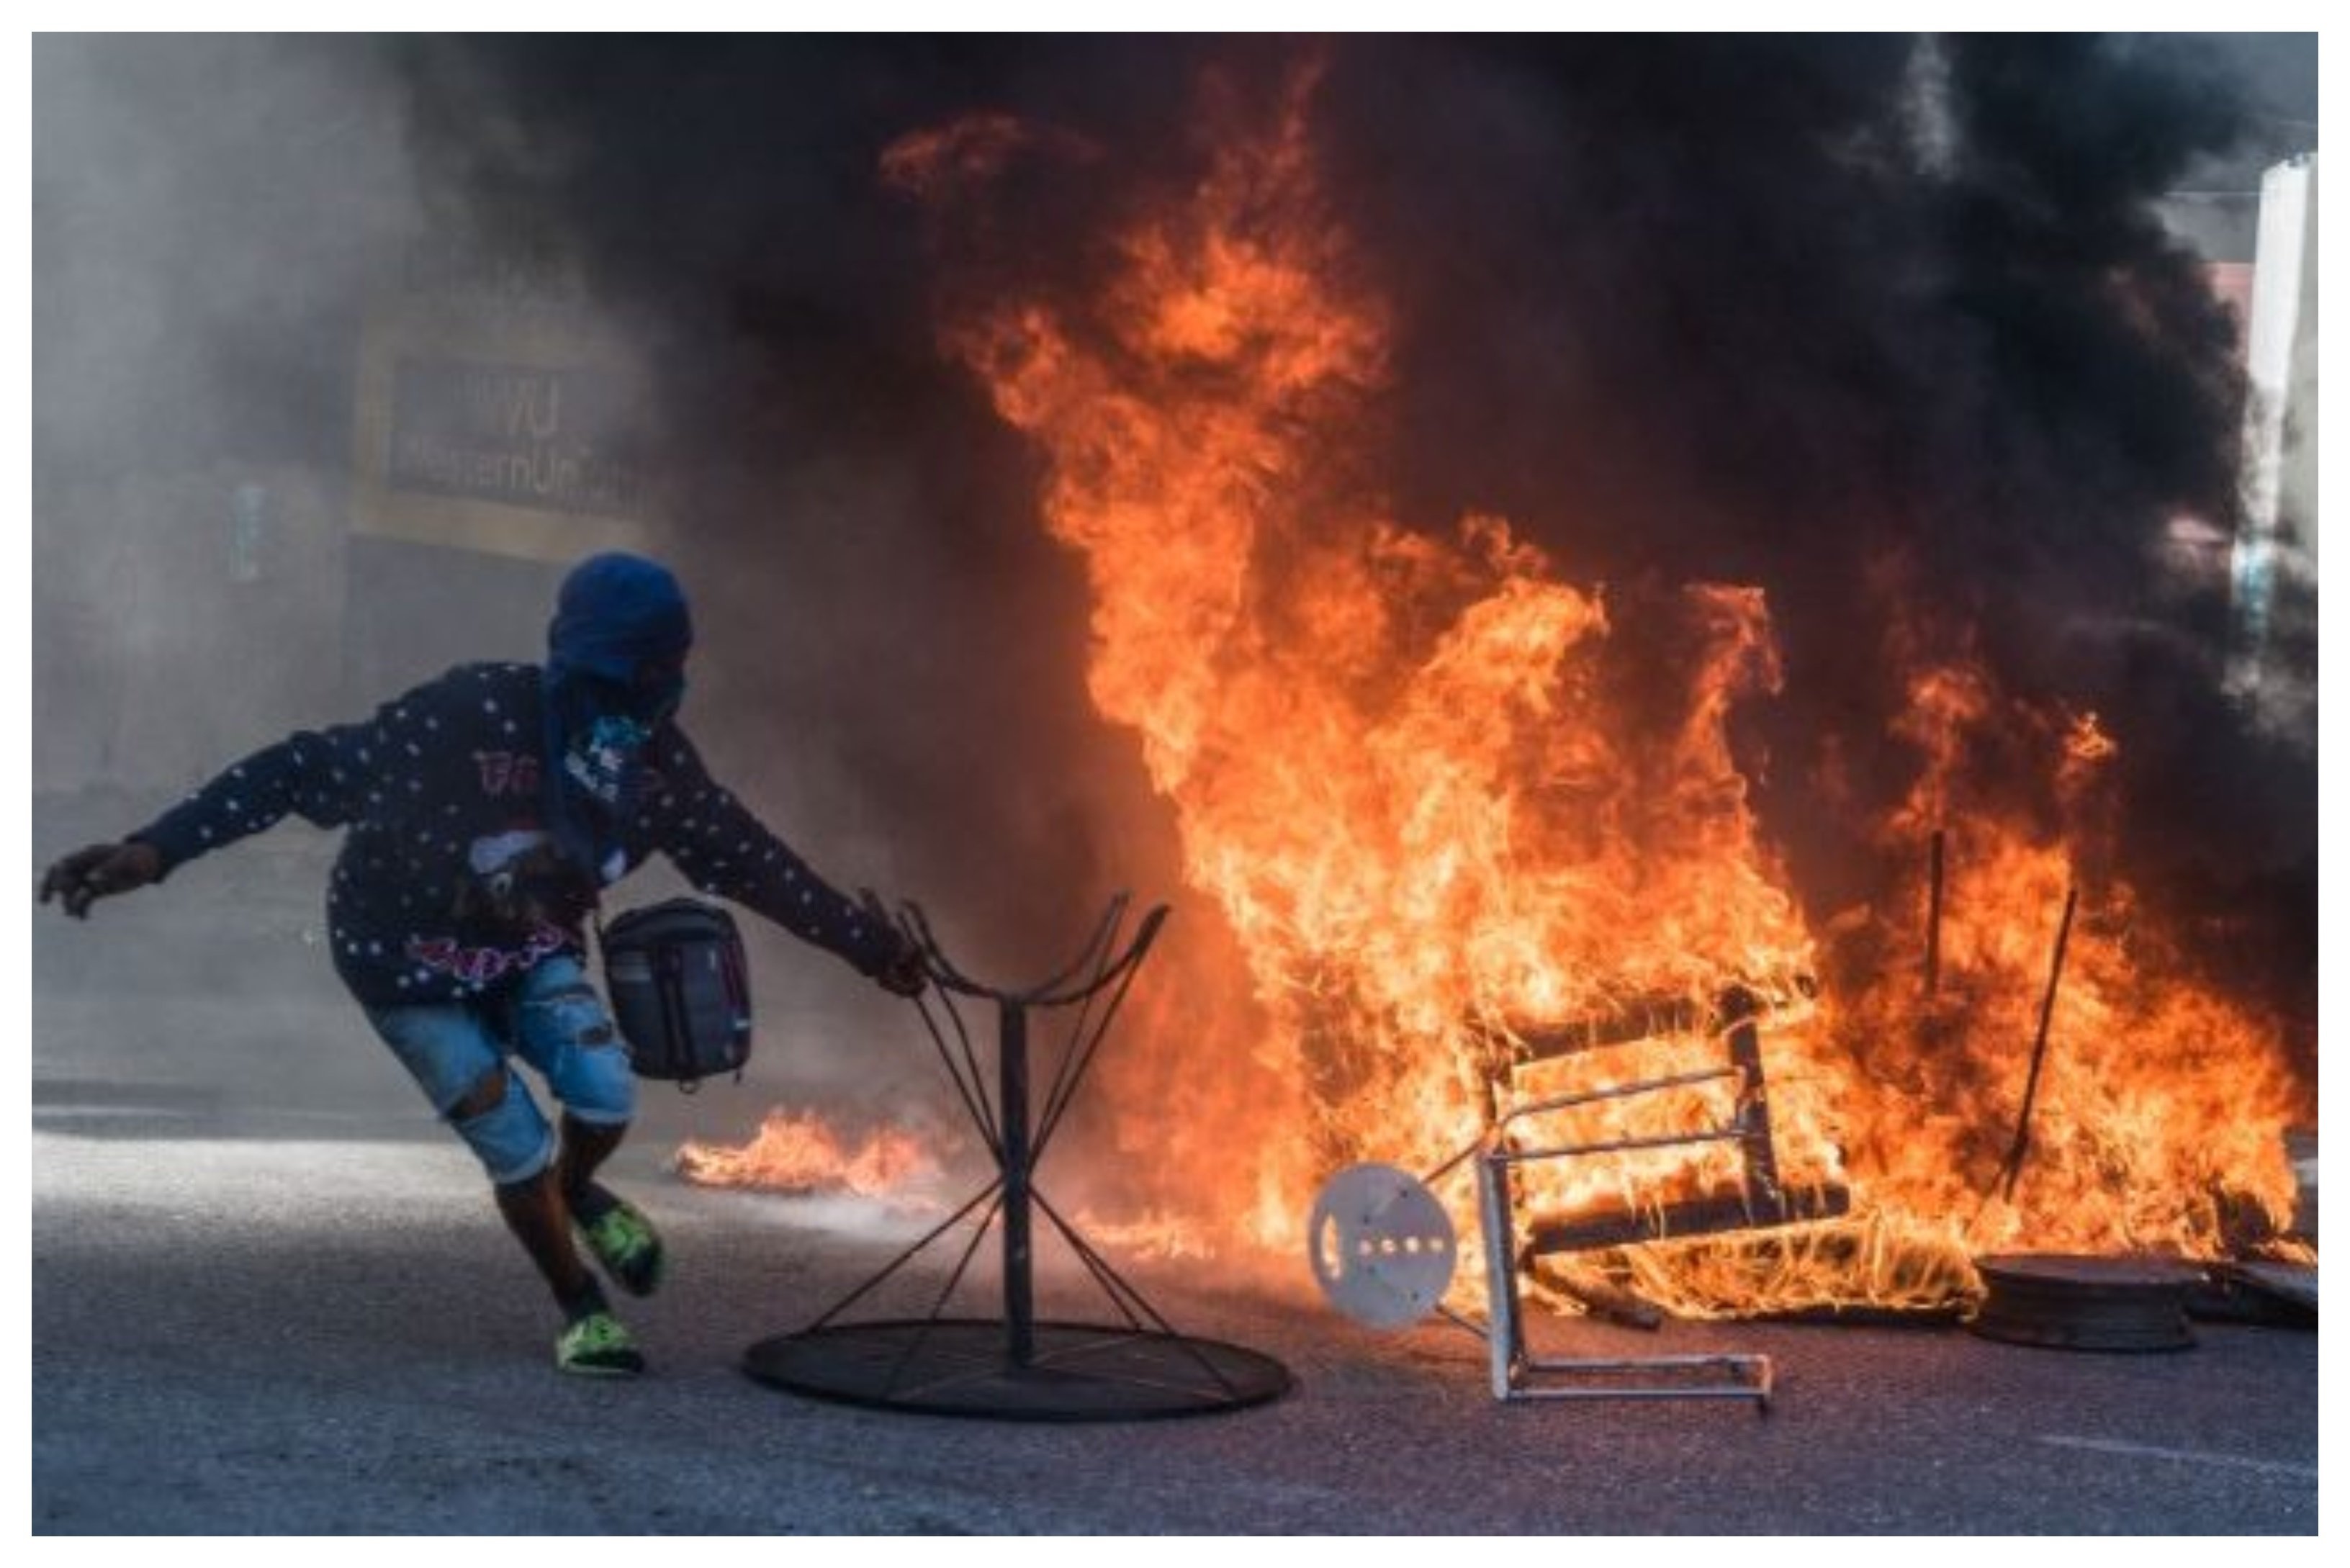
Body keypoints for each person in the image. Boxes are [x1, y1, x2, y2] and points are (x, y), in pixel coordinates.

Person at [38, 551, 925, 1377]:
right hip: (401, 955)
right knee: (511, 1139)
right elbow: (297, 769)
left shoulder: (656, 774)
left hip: (528, 948)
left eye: (656, 678)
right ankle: (581, 1305)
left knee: (604, 1090)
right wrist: (156, 850)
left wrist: (871, 947)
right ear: (573, 662)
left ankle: (580, 1190)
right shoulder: (469, 717)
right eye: (617, 678)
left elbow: (754, 863)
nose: (634, 701)